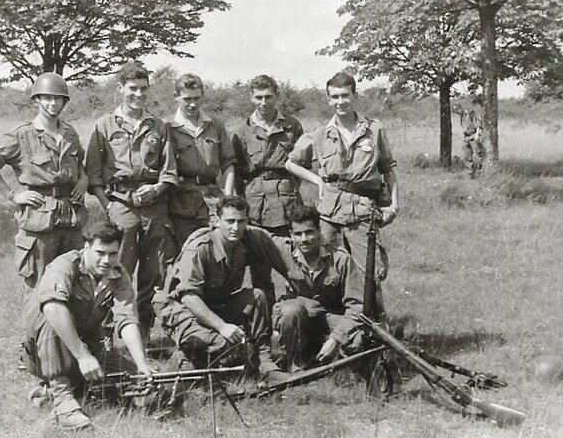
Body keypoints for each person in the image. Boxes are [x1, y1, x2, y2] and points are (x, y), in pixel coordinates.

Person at [21, 221, 154, 430]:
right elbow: (52, 309)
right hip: (43, 350)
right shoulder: (64, 266)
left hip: (89, 349)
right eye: (100, 252)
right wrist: (83, 357)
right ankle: (64, 403)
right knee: (54, 315)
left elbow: (127, 319)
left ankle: (62, 390)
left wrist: (142, 364)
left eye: (112, 253)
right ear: (86, 248)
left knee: (132, 380)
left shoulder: (118, 275)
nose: (106, 260)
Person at [156, 195, 294, 383]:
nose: (235, 228)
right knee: (222, 344)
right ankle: (186, 358)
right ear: (216, 221)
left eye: (241, 221)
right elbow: (189, 298)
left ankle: (265, 364)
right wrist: (222, 327)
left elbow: (280, 250)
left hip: (217, 306)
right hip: (184, 313)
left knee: (258, 297)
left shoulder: (245, 241)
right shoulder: (199, 248)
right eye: (229, 221)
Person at [85, 61, 178, 338]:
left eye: (143, 90)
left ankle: (144, 331)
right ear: (120, 88)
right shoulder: (104, 125)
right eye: (132, 89)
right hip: (121, 205)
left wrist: (157, 189)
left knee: (153, 272)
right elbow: (93, 173)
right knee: (113, 268)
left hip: (154, 208)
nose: (138, 95)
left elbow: (169, 170)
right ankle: (106, 333)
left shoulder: (158, 126)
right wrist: (108, 205)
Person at [285, 71, 399, 286]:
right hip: (330, 212)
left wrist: (394, 205)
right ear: (329, 100)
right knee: (329, 271)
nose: (341, 102)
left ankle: (372, 318)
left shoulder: (374, 130)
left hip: (363, 210)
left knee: (368, 272)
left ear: (354, 96)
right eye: (335, 97)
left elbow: (388, 168)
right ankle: (335, 317)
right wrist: (318, 181)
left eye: (345, 95)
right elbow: (291, 163)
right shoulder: (319, 134)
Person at [0, 72, 89, 288]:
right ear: (37, 100)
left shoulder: (70, 134)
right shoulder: (22, 134)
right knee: (39, 285)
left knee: (73, 281)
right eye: (47, 97)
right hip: (40, 218)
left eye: (58, 98)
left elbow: (81, 163)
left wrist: (83, 179)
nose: (53, 103)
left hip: (71, 217)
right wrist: (13, 195)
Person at [272, 205, 365, 372]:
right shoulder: (284, 251)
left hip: (332, 319)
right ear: (291, 235)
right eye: (298, 234)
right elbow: (255, 236)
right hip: (303, 318)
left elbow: (357, 306)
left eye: (309, 232)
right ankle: (296, 362)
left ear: (319, 231)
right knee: (288, 311)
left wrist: (336, 339)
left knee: (358, 340)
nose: (304, 239)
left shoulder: (340, 259)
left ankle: (334, 362)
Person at [165, 73, 236, 249]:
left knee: (217, 253)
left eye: (197, 98)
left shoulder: (215, 124)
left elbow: (228, 164)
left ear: (203, 95)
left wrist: (226, 199)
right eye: (187, 99)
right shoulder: (167, 126)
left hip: (213, 200)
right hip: (181, 203)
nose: (192, 104)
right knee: (186, 256)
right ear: (176, 97)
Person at [231, 75, 304, 237]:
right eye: (259, 97)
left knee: (289, 251)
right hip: (255, 201)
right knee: (257, 252)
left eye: (268, 97)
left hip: (286, 199)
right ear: (251, 98)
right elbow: (237, 174)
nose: (263, 103)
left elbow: (301, 167)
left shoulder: (292, 126)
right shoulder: (241, 131)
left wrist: (289, 187)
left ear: (276, 95)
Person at [458, 96, 484, 178]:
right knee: (466, 155)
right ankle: (470, 173)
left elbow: (478, 125)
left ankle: (480, 172)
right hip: (466, 137)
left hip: (473, 136)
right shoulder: (462, 115)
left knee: (477, 155)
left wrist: (477, 135)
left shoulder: (472, 113)